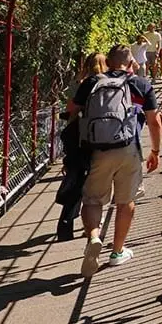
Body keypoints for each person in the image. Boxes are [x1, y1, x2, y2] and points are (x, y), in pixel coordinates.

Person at [69, 43, 162, 275]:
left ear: (107, 63)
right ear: (131, 64)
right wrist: (155, 152)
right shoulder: (141, 84)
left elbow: (71, 110)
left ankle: (93, 236)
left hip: (96, 149)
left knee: (92, 199)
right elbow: (154, 122)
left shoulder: (92, 82)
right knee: (125, 200)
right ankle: (117, 252)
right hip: (129, 148)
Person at [55, 52, 106, 240]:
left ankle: (66, 223)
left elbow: (71, 111)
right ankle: (92, 225)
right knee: (94, 183)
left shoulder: (78, 83)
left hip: (78, 135)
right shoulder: (107, 82)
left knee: (76, 177)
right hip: (101, 137)